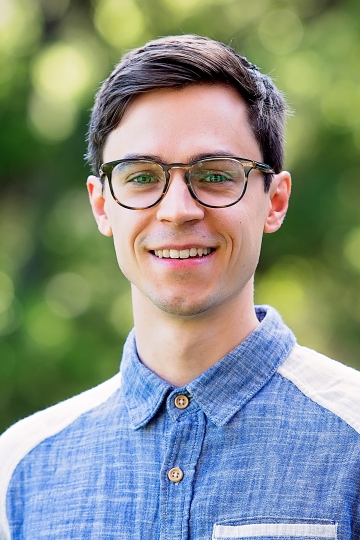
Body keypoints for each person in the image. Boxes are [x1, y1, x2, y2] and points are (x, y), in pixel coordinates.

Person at [0, 34, 359, 540]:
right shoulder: (21, 470)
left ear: (274, 201)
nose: (178, 209)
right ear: (102, 205)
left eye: (215, 174)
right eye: (141, 177)